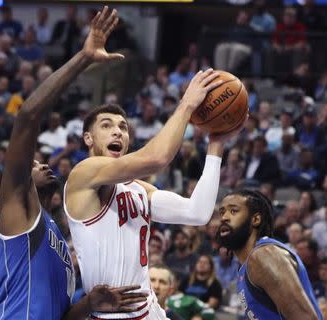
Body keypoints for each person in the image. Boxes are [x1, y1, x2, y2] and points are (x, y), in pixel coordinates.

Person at [65, 35, 244, 320]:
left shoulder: (138, 189)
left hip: (151, 311)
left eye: (123, 127)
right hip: (111, 315)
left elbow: (197, 213)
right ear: (88, 138)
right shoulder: (82, 175)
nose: (117, 132)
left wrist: (216, 146)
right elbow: (157, 158)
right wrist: (186, 104)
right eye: (107, 125)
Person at [0, 6, 147, 320]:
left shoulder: (58, 236)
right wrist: (84, 58)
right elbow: (28, 116)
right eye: (33, 165)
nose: (42, 164)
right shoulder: (17, 214)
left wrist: (89, 303)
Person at [216, 189, 323, 319]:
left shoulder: (265, 255)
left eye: (233, 211)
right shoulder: (247, 264)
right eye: (222, 212)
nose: (224, 218)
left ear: (255, 219)